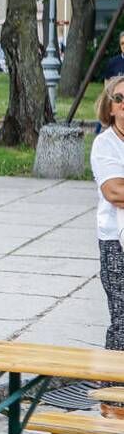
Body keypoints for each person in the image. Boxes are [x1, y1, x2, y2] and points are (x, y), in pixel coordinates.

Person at [90, 75, 124, 352]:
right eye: (119, 98)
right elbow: (114, 192)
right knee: (123, 321)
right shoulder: (105, 144)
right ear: (110, 107)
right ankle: (112, 393)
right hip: (117, 242)